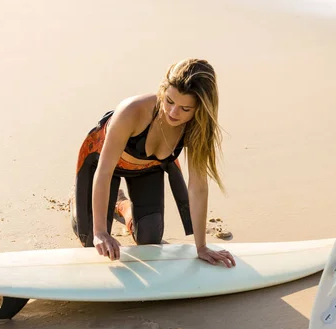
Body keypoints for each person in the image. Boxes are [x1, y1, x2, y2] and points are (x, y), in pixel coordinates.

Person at [70, 58, 236, 269]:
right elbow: (103, 172)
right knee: (92, 243)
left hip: (147, 169)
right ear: (162, 91)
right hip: (100, 164)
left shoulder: (197, 128)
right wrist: (100, 232)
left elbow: (198, 187)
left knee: (149, 240)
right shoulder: (132, 111)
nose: (173, 113)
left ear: (200, 109)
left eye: (185, 109)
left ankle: (120, 203)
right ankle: (76, 199)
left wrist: (201, 247)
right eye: (169, 101)